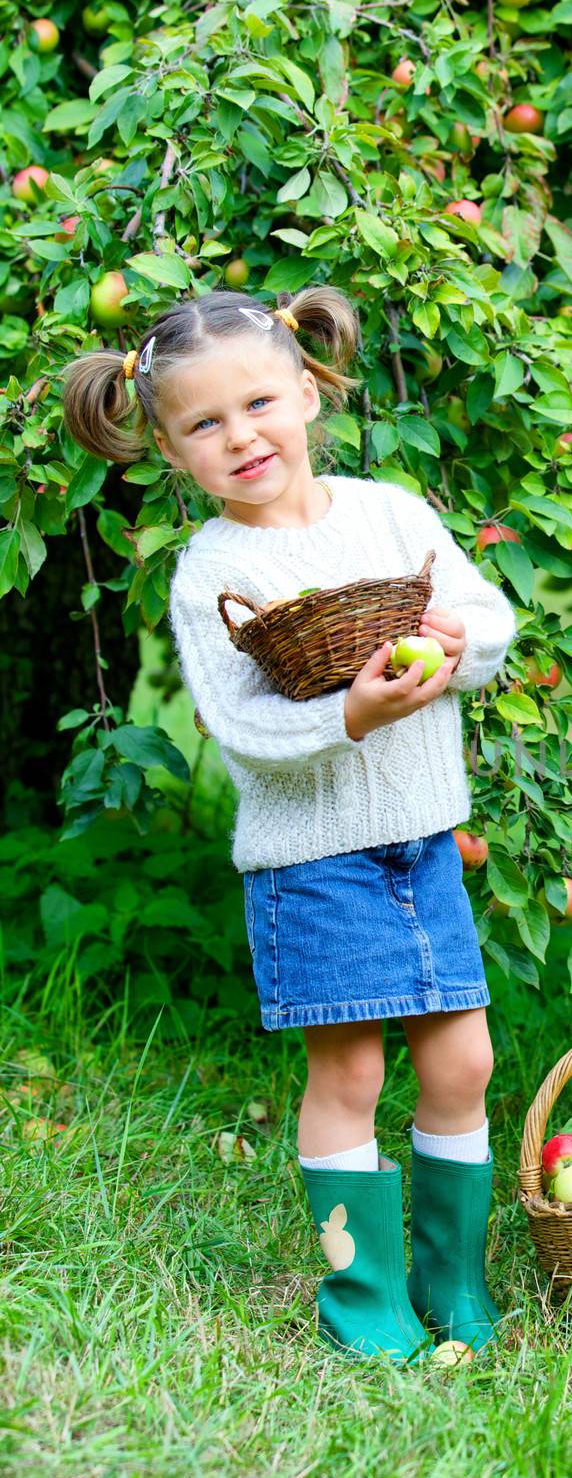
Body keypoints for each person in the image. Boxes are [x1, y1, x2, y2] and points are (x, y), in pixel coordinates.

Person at [59, 286, 518, 1362]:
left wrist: (454, 641)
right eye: (204, 425)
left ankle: (453, 1281)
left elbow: (486, 612)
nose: (241, 436)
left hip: (421, 841)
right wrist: (350, 710)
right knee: (349, 1074)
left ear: (308, 393)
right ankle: (366, 1300)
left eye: (259, 401)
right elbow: (242, 728)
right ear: (173, 453)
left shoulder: (391, 513)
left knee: (463, 1062)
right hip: (312, 862)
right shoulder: (214, 571)